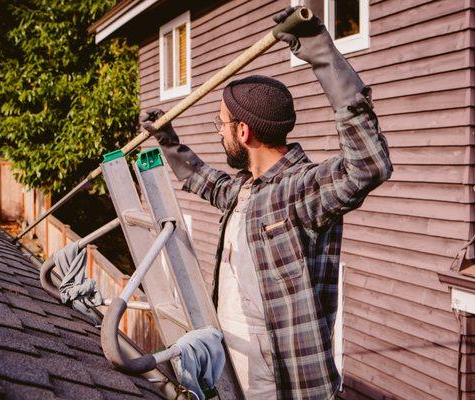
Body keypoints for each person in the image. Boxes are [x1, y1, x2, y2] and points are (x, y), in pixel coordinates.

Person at [142, 7, 392, 400]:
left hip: (279, 383)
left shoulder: (298, 190)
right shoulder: (246, 191)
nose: (218, 133)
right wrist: (168, 141)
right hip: (229, 369)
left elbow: (368, 166)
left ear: (243, 131)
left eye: (221, 125)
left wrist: (320, 50)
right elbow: (201, 181)